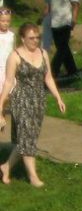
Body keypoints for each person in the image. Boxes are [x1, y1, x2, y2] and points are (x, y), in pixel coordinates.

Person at [0, 23, 67, 187]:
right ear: (22, 39)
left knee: (25, 139)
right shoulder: (14, 56)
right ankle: (33, 177)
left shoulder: (43, 53)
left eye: (37, 37)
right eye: (31, 38)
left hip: (38, 101)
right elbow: (8, 82)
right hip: (21, 100)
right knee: (28, 139)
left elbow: (48, 78)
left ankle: (6, 166)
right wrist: (0, 104)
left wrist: (58, 97)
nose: (35, 41)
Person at [44, 0, 79, 79]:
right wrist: (43, 17)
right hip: (54, 22)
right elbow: (48, 6)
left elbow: (75, 4)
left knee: (62, 48)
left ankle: (53, 71)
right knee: (62, 47)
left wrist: (74, 19)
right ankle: (72, 69)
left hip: (66, 21)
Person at [0, 7, 14, 92]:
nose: (5, 23)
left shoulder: (11, 35)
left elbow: (13, 50)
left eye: (8, 21)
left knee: (9, 92)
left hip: (8, 68)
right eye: (2, 21)